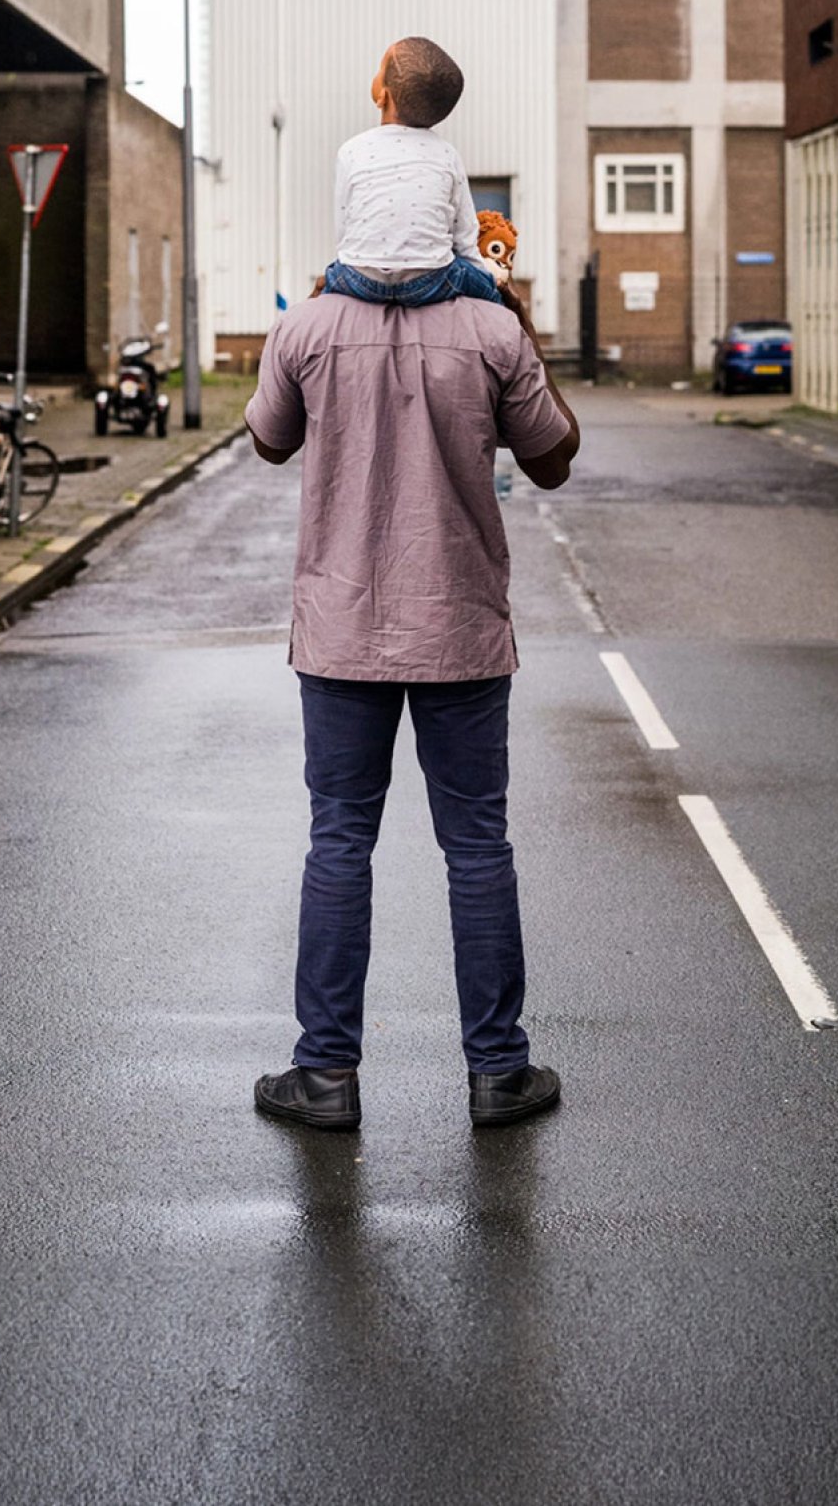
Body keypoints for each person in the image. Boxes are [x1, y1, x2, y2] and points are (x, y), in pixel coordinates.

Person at [245, 162, 581, 1130]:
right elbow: (551, 461)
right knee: (476, 844)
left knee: (338, 842)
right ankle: (497, 1072)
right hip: (461, 630)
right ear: (447, 229)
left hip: (340, 631)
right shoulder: (489, 332)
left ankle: (325, 1076)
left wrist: (316, 322)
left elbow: (268, 443)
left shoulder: (305, 327)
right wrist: (518, 324)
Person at [320, 36, 503, 308]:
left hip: (359, 279)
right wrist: (486, 283)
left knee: (327, 281)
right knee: (491, 292)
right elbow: (465, 238)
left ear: (383, 96)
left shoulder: (351, 150)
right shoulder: (447, 154)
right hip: (430, 281)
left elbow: (344, 232)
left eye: (379, 71)